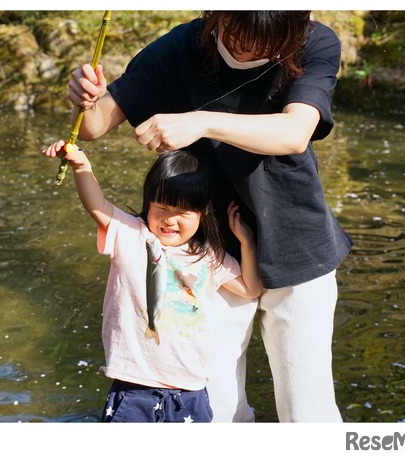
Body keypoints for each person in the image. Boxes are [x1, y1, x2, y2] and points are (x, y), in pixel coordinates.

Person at [63, 11, 353, 422]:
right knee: (214, 407)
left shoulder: (315, 43)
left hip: (298, 246)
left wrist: (200, 123)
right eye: (236, 33)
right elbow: (93, 126)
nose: (246, 48)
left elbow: (293, 133)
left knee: (308, 410)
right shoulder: (182, 46)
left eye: (263, 43)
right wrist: (86, 99)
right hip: (207, 259)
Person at [42, 141, 262, 422]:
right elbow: (96, 206)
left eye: (183, 212)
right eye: (162, 207)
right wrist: (82, 166)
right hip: (135, 385)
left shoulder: (209, 257)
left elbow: (250, 288)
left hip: (191, 389)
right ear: (149, 203)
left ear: (202, 214)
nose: (170, 220)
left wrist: (247, 242)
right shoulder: (133, 237)